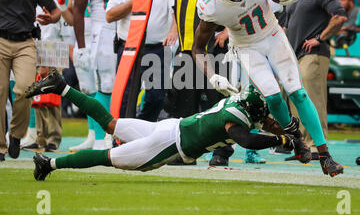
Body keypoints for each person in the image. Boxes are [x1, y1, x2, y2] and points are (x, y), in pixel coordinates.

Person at [193, 0, 344, 177]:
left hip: (273, 35)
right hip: (246, 46)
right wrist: (213, 75)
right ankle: (295, 139)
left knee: (298, 93)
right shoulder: (210, 5)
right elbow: (197, 48)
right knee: (272, 97)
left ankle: (325, 155)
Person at [26, 69, 309, 181]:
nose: (264, 122)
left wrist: (288, 134)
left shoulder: (236, 103)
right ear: (252, 111)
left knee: (111, 124)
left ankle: (62, 87)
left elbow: (258, 125)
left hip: (171, 127)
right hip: (169, 142)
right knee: (109, 157)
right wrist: (282, 141)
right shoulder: (235, 119)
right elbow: (246, 140)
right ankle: (49, 164)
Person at [159, 0, 234, 167]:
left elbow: (236, 2)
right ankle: (186, 152)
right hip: (186, 50)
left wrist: (228, 32)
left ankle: (222, 151)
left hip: (213, 51)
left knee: (217, 102)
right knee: (183, 105)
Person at [282, 0, 347, 161]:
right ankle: (303, 147)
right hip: (294, 54)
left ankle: (318, 147)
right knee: (297, 100)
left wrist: (320, 37)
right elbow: (286, 24)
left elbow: (340, 16)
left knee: (312, 100)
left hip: (314, 54)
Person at [0, 0, 61, 161]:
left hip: (26, 42)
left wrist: (50, 17)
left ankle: (15, 135)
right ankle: (0, 147)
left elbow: (56, 12)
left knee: (25, 89)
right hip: (1, 41)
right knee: (0, 92)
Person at [72, 0, 131, 150]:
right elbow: (78, 10)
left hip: (127, 26)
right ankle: (99, 137)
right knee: (105, 84)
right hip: (103, 29)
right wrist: (82, 46)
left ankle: (119, 133)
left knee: (127, 83)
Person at [106, 0, 175, 121]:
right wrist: (133, 2)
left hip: (157, 48)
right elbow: (110, 16)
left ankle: (142, 127)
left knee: (157, 96)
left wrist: (174, 30)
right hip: (129, 46)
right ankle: (120, 136)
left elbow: (176, 13)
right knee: (126, 94)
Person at [58, 0, 98, 151]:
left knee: (102, 88)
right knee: (86, 89)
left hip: (100, 36)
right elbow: (72, 18)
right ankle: (92, 133)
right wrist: (61, 4)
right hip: (82, 36)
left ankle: (102, 134)